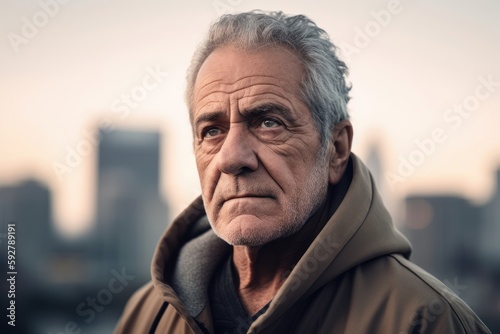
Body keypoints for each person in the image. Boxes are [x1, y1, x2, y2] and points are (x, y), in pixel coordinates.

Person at [114, 11, 491, 334]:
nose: (231, 158)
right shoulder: (146, 315)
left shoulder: (424, 321)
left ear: (336, 149)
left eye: (268, 123)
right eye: (212, 131)